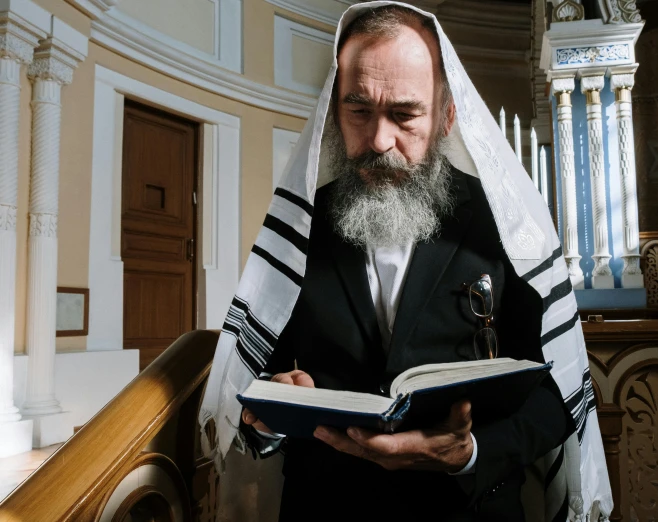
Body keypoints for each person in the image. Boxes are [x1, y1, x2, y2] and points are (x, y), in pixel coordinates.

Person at [199, 3, 612, 522]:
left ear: (446, 116)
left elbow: (560, 391)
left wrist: (472, 453)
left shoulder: (508, 227)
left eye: (404, 114)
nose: (378, 141)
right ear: (333, 112)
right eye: (359, 110)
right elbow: (256, 385)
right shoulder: (300, 227)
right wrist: (273, 413)